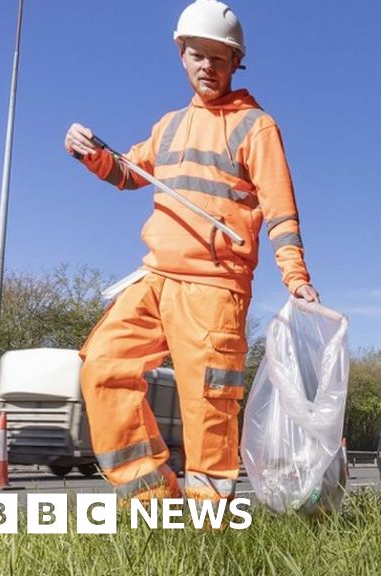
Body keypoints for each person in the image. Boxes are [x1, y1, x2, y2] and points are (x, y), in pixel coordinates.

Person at [64, 0, 317, 504]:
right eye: (198, 55)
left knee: (208, 408)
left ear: (235, 62)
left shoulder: (255, 126)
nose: (208, 67)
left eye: (219, 58)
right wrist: (91, 153)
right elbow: (128, 172)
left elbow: (280, 209)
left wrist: (296, 276)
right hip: (154, 278)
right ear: (181, 53)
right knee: (103, 366)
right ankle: (155, 502)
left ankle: (207, 530)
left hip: (214, 288)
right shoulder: (169, 125)